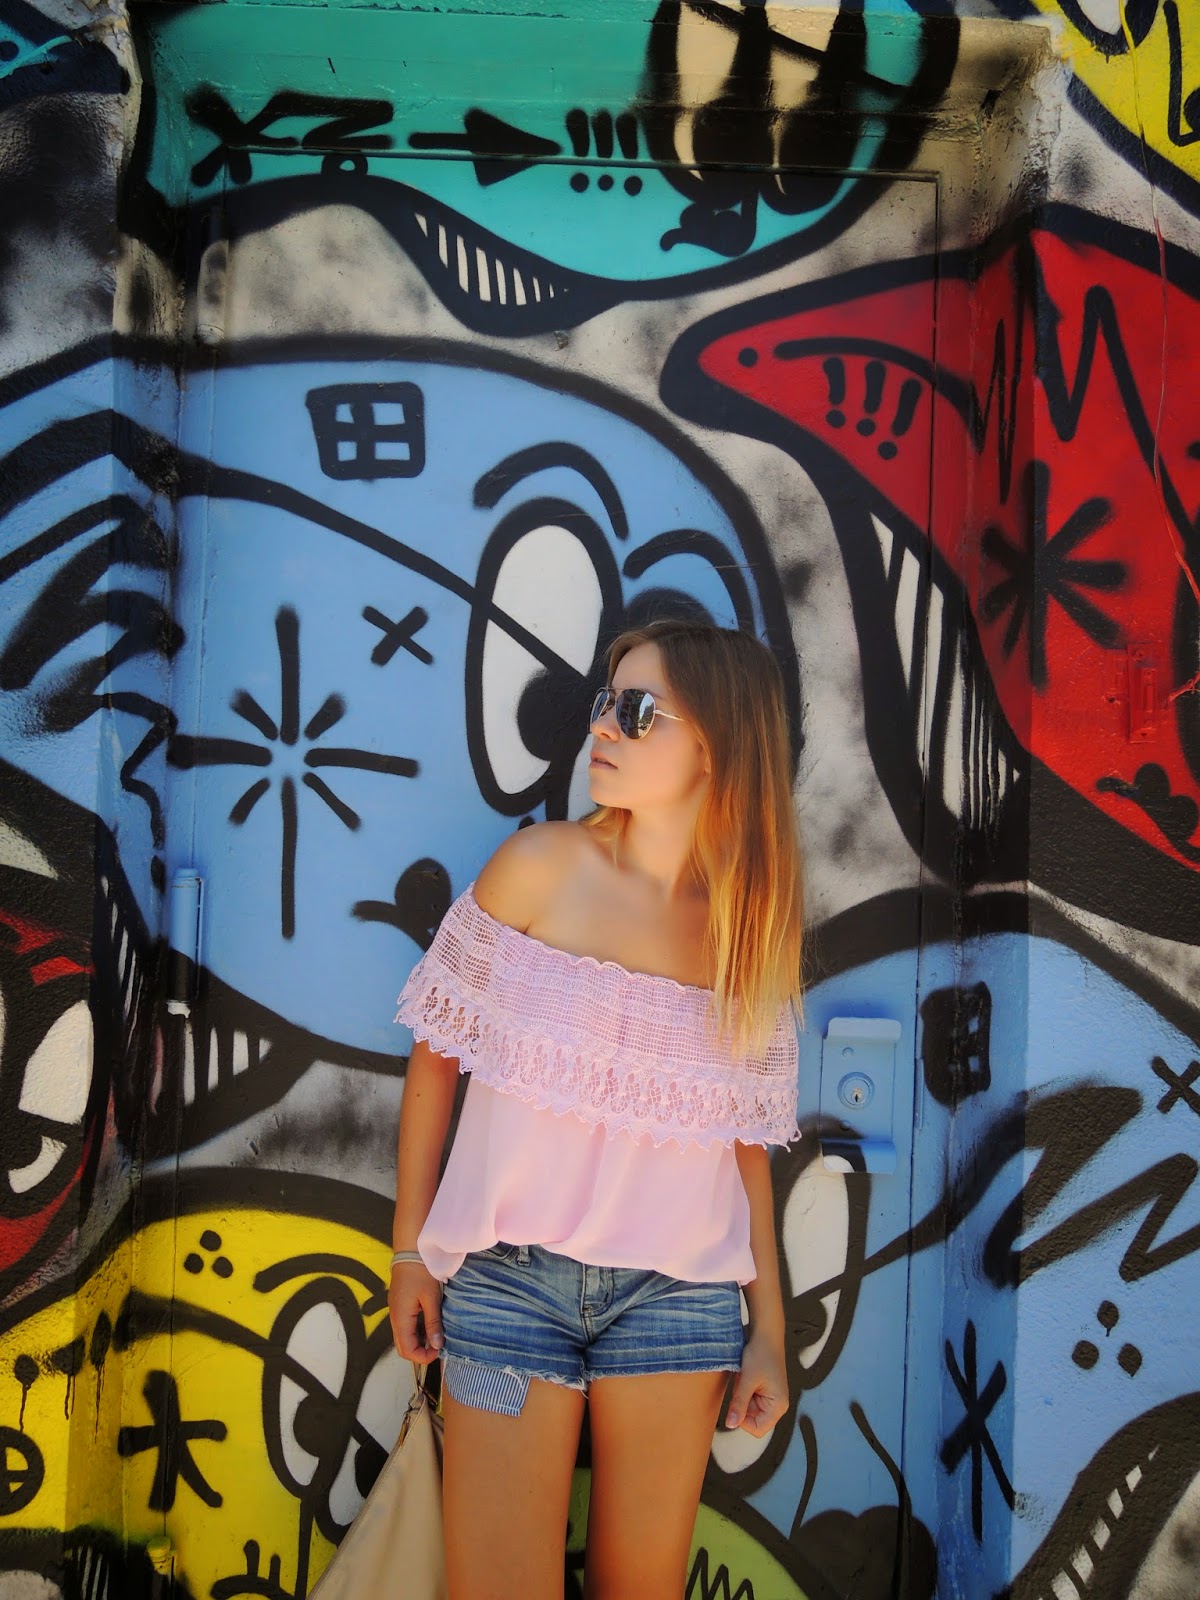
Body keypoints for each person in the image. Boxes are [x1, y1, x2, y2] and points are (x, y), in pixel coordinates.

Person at [389, 618, 804, 1600]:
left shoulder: (745, 931)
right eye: (607, 703)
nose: (603, 727)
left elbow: (745, 1151)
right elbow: (435, 1062)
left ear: (716, 746)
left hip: (678, 1304)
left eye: (639, 710)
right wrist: (408, 1251)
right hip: (505, 1287)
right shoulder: (539, 866)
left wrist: (771, 1332)